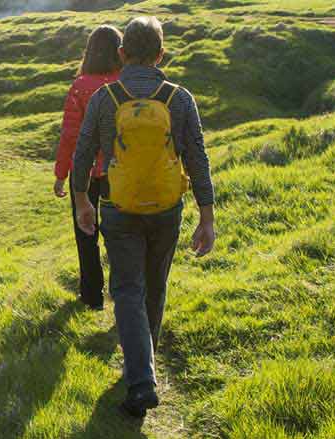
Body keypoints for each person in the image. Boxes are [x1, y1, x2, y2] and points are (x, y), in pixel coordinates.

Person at [69, 16, 218, 418]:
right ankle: (143, 367)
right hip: (167, 209)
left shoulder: (104, 98)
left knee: (128, 290)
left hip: (118, 207)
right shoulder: (180, 98)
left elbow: (82, 155)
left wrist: (83, 201)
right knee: (154, 287)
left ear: (122, 54)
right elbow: (197, 159)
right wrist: (207, 215)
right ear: (161, 53)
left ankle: (141, 379)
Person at [55, 25, 125, 311]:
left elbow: (70, 134)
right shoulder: (126, 83)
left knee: (86, 234)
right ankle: (125, 294)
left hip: (84, 174)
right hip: (120, 171)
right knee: (121, 235)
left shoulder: (80, 86)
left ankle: (92, 296)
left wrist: (61, 175)